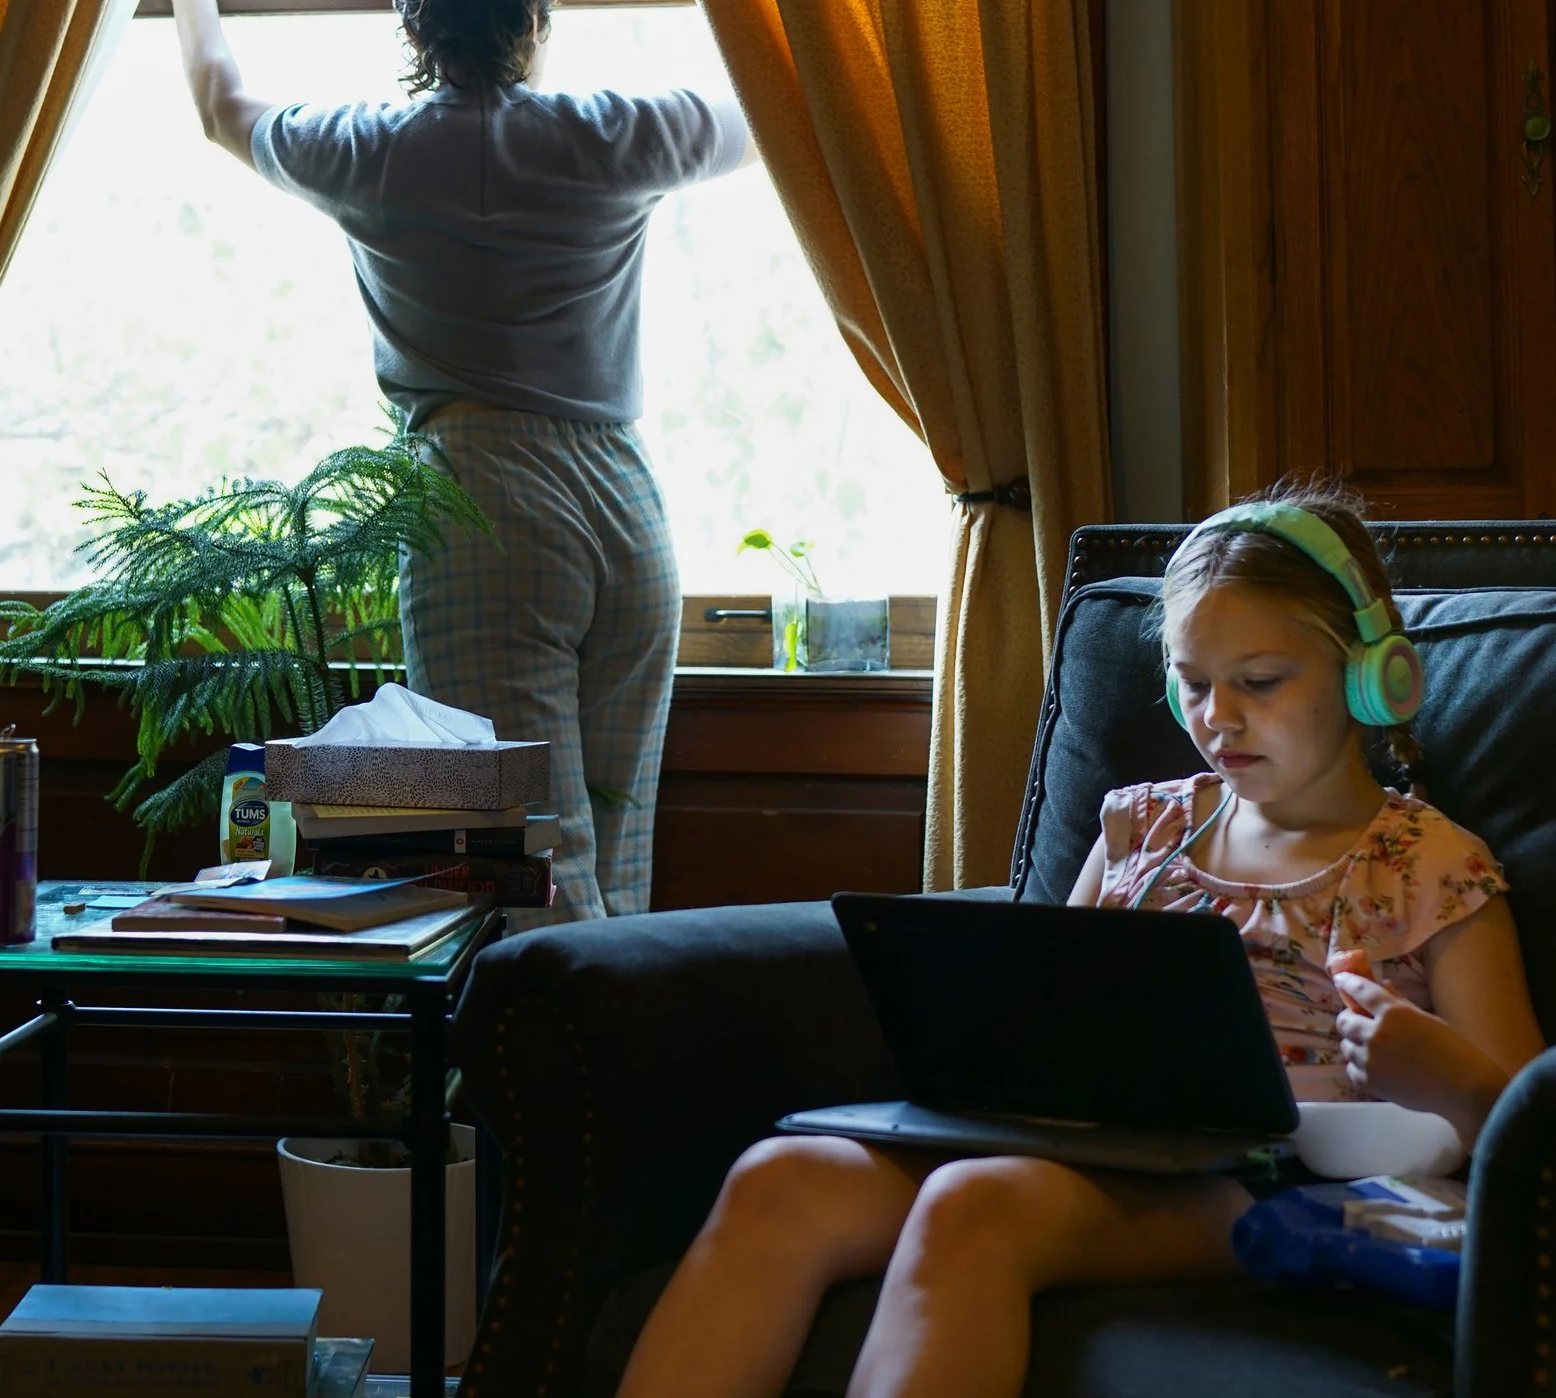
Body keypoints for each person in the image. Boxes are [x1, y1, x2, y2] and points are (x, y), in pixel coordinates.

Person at [614, 480, 1546, 1398]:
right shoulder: (1139, 829)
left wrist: (1438, 1070)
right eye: (1193, 684)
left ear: (1364, 674)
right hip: (1100, 1145)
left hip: (1278, 1186)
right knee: (779, 1178)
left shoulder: (1429, 864)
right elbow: (1046, 1008)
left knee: (977, 1205)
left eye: (1259, 682)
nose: (1218, 716)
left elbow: (1531, 1128)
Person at [152, 0, 751, 921]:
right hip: (625, 501)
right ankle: (615, 1071)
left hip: (480, 499)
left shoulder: (369, 150)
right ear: (535, 20)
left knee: (521, 857)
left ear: (414, 26)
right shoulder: (614, 135)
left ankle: (528, 1075)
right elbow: (766, 109)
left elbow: (224, 106)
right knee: (617, 839)